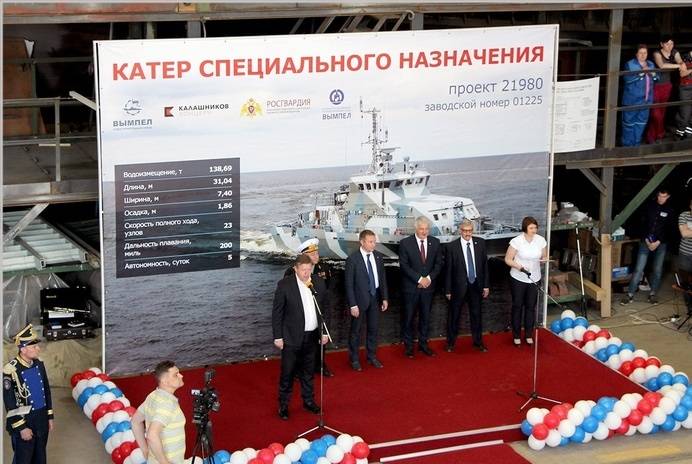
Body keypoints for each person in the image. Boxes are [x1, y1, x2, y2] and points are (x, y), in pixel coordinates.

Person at [273, 254, 328, 420]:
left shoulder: (318, 282)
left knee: (308, 372)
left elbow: (324, 309)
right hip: (291, 338)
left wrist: (324, 331)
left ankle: (308, 401)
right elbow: (277, 313)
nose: (306, 273)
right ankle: (283, 405)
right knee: (288, 373)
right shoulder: (285, 285)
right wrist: (278, 336)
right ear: (295, 269)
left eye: (308, 269)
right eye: (303, 270)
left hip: (312, 336)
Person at [3, 324, 54, 464]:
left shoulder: (39, 364)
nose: (38, 349)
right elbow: (10, 402)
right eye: (34, 347)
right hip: (25, 422)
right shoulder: (11, 370)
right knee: (23, 459)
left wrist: (49, 416)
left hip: (41, 419)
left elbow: (46, 391)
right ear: (23, 349)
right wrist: (21, 427)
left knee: (40, 458)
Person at [284, 238, 333, 377]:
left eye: (317, 253)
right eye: (312, 254)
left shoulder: (324, 268)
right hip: (302, 313)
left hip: (318, 312)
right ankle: (297, 370)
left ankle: (320, 365)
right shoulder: (291, 272)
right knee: (300, 343)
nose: (316, 256)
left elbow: (326, 291)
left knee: (321, 342)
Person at [398, 216, 444, 358]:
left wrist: (428, 279)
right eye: (421, 229)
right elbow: (404, 266)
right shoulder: (405, 243)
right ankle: (409, 347)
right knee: (409, 318)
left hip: (428, 288)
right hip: (411, 288)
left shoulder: (435, 242)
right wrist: (419, 279)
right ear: (416, 228)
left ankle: (423, 345)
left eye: (426, 229)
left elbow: (439, 264)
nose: (424, 232)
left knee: (425, 317)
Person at [621, 189, 675, 306]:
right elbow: (641, 224)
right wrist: (646, 239)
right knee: (639, 268)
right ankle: (630, 294)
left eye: (664, 196)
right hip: (645, 242)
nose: (661, 199)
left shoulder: (670, 210)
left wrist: (658, 242)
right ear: (657, 195)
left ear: (668, 196)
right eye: (660, 196)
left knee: (657, 269)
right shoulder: (649, 206)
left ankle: (653, 294)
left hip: (661, 244)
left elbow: (670, 230)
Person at [345, 229, 389, 371]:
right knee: (356, 331)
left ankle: (371, 356)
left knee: (373, 329)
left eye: (374, 241)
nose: (373, 244)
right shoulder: (353, 259)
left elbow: (382, 279)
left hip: (375, 299)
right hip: (359, 301)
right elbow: (349, 284)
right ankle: (355, 359)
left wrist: (385, 298)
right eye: (370, 242)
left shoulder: (378, 257)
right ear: (362, 242)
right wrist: (352, 304)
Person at [444, 220, 490, 352]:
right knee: (454, 316)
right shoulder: (452, 247)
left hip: (476, 285)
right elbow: (448, 271)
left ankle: (478, 342)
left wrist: (486, 286)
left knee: (476, 315)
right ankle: (451, 343)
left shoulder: (480, 243)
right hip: (458, 288)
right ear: (460, 231)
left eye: (470, 230)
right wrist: (447, 290)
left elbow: (484, 266)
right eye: (465, 231)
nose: (467, 233)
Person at [131, 361, 186, 464]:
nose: (181, 376)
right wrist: (164, 462)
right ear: (165, 381)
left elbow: (135, 421)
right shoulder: (167, 404)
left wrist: (144, 449)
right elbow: (152, 435)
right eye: (176, 374)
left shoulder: (153, 395)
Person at [504, 217, 548, 347]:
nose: (534, 230)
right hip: (518, 278)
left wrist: (544, 260)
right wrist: (520, 267)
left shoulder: (541, 240)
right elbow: (508, 259)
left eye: (535, 228)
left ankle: (529, 335)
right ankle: (516, 335)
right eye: (531, 228)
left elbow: (544, 256)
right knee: (517, 306)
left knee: (530, 307)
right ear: (525, 228)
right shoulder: (516, 241)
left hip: (534, 278)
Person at [646, 35, 684, 144]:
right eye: (667, 44)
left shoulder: (674, 52)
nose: (670, 46)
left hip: (667, 86)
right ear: (662, 44)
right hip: (655, 86)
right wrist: (678, 66)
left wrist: (680, 63)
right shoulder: (657, 53)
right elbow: (661, 65)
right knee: (655, 113)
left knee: (662, 111)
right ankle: (656, 133)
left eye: (672, 43)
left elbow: (680, 61)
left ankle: (657, 135)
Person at [621, 44, 657, 146]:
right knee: (629, 124)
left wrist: (654, 74)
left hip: (646, 100)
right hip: (632, 101)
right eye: (640, 53)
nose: (643, 55)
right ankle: (627, 147)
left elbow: (656, 78)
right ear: (636, 53)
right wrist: (641, 73)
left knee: (641, 124)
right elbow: (627, 79)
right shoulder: (629, 64)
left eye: (645, 53)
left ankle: (636, 145)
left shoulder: (650, 64)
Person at [674, 51, 692, 140]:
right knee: (685, 112)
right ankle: (679, 133)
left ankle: (688, 133)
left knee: (690, 113)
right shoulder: (684, 58)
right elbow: (682, 74)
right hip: (686, 88)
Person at [678, 197, 692, 312]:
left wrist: (689, 230)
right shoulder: (684, 215)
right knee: (685, 283)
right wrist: (687, 231)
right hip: (685, 254)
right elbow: (684, 233)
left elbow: (688, 232)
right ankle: (689, 308)